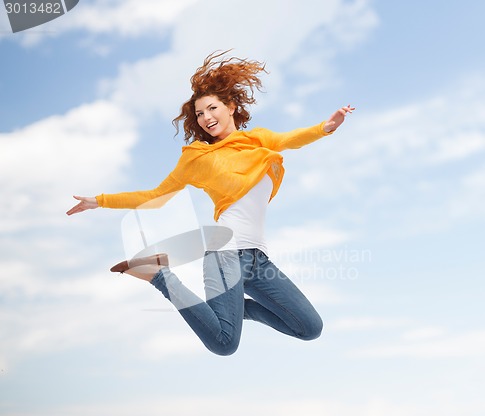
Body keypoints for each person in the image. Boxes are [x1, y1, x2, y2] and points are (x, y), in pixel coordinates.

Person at [67, 51, 354, 356]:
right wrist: (98, 201)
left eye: (212, 108)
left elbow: (290, 138)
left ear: (231, 107)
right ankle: (158, 275)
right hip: (225, 257)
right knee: (224, 343)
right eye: (200, 114)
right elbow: (154, 196)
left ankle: (233, 309)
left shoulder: (257, 140)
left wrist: (327, 126)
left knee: (309, 327)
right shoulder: (198, 158)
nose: (206, 118)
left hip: (259, 261)